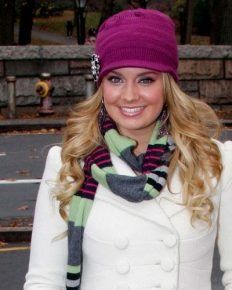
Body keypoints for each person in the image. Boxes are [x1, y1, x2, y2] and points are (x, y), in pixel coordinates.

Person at [24, 8, 232, 290]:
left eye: (146, 79)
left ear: (168, 84)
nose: (130, 95)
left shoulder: (214, 161)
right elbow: (44, 281)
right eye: (115, 79)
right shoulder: (70, 163)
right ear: (101, 85)